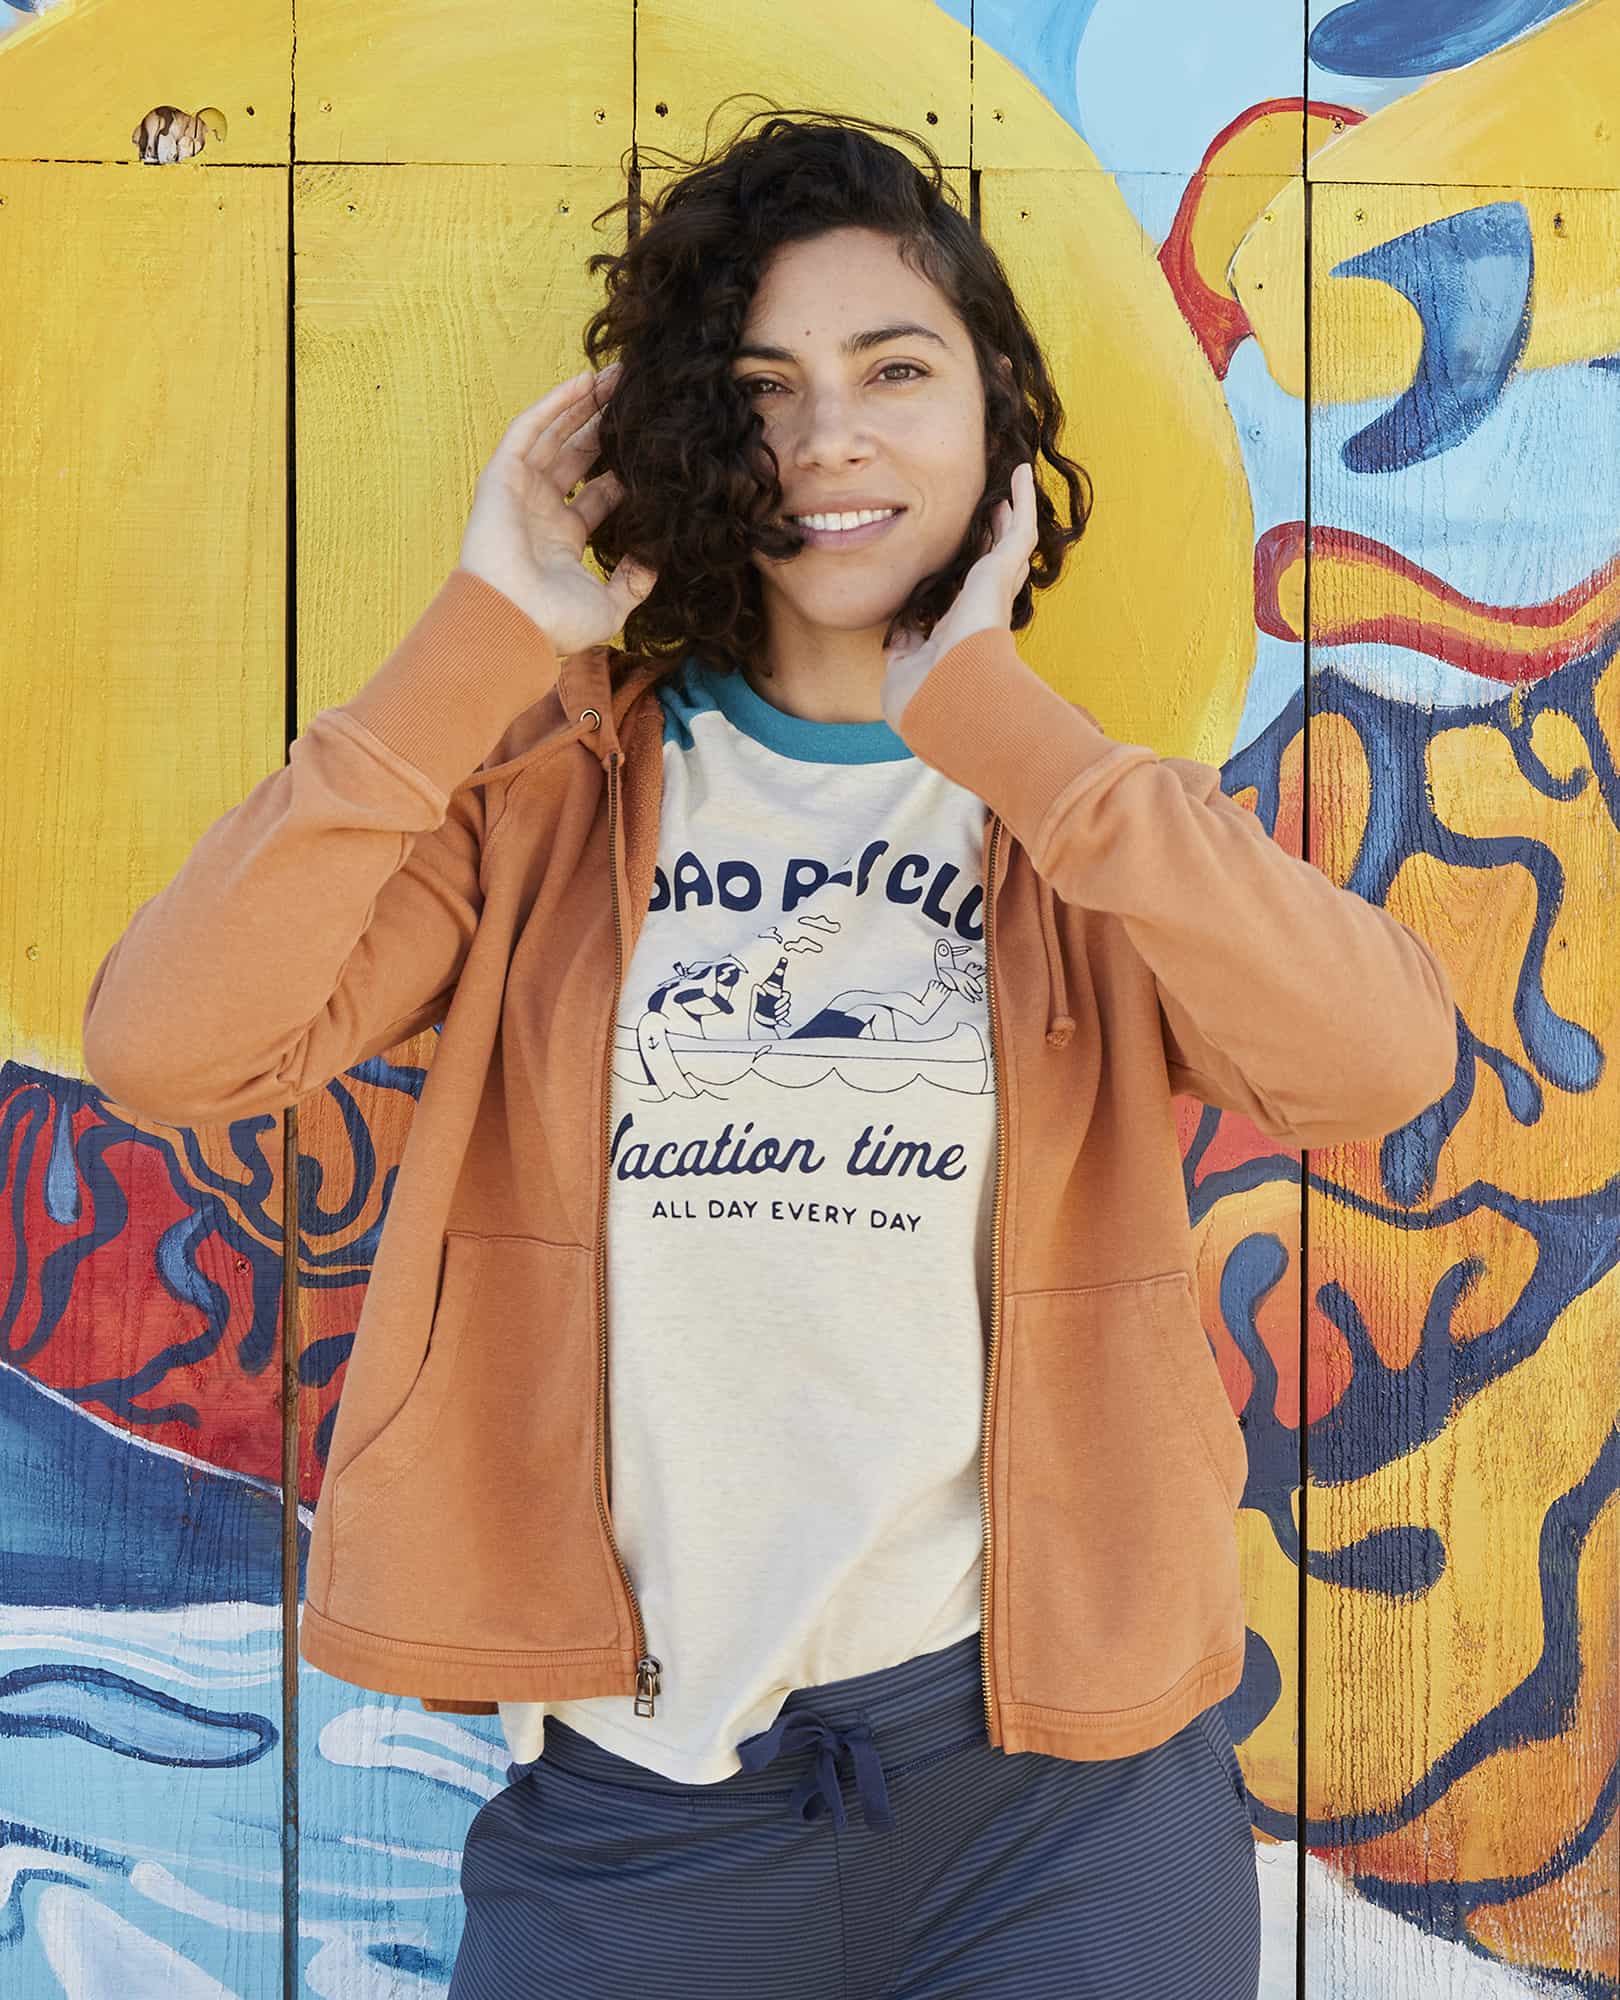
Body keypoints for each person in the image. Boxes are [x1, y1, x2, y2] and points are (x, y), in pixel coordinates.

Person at [83, 104, 1457, 2000]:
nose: (829, 438)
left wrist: (998, 720)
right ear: (683, 440)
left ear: (998, 415)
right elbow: (167, 1047)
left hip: (1057, 1802)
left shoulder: (1080, 818)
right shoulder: (547, 800)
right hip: (642, 1811)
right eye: (759, 390)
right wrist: (488, 635)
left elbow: (1375, 1067)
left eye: (894, 371)